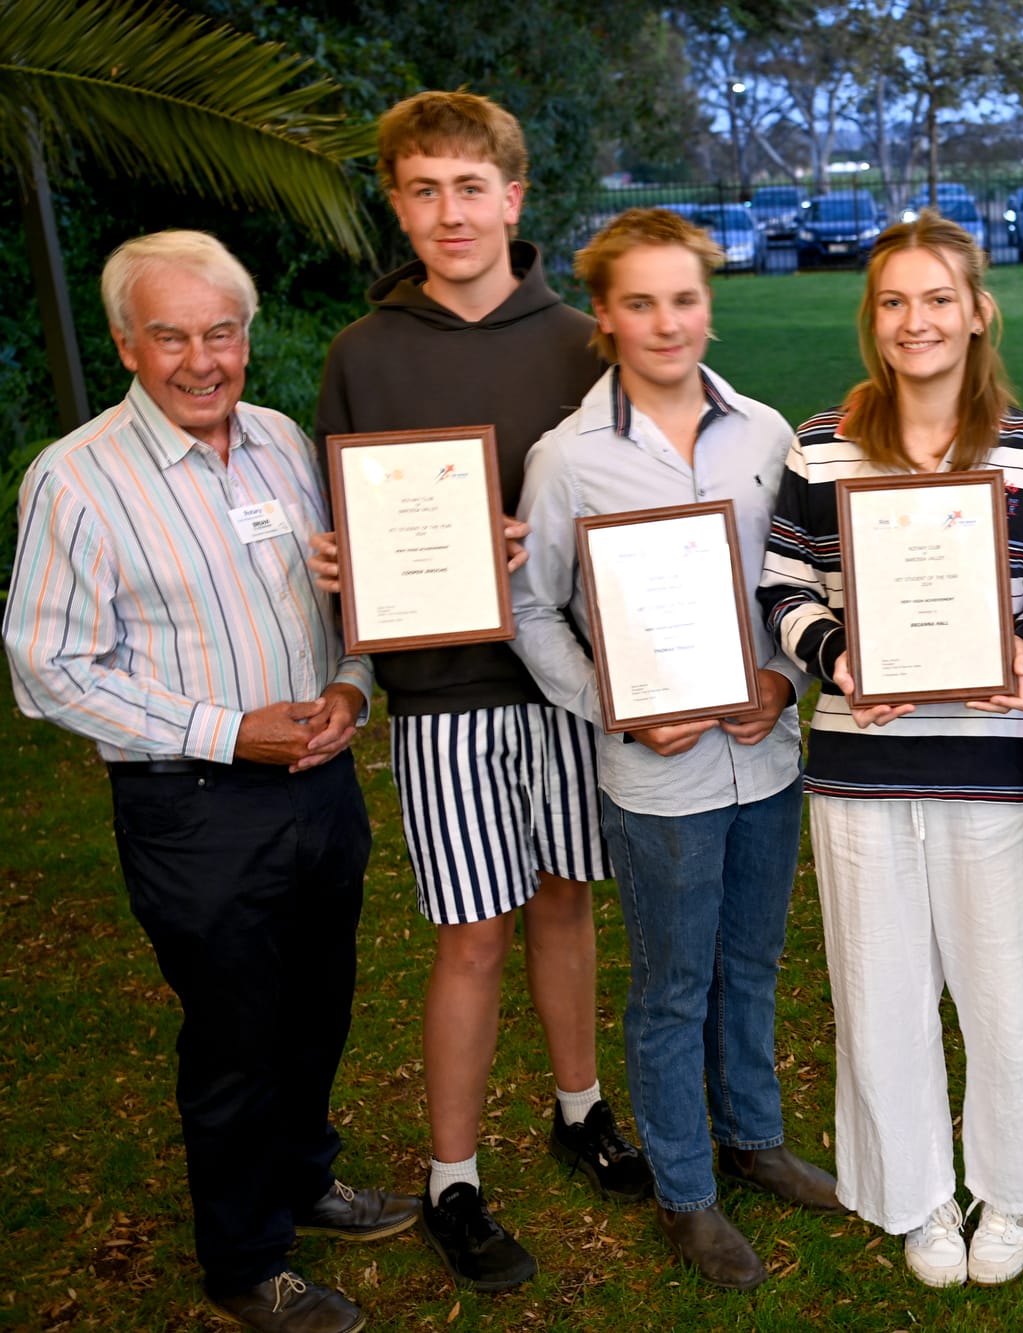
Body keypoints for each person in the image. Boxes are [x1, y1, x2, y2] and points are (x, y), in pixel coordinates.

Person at [5, 230, 416, 1333]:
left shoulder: (282, 442)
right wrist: (229, 732)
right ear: (127, 344)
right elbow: (49, 669)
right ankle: (245, 1259)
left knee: (320, 1005)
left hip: (321, 782)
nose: (201, 359)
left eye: (220, 331)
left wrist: (348, 683)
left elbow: (341, 595)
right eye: (172, 335)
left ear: (247, 334)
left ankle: (302, 1175)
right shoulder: (77, 480)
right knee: (235, 1034)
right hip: (195, 808)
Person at [310, 91, 647, 1293]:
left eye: (469, 187)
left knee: (565, 901)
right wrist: (338, 555)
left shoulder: (580, 344)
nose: (447, 212)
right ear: (395, 205)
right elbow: (339, 520)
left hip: (566, 681)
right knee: (472, 935)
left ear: (513, 198)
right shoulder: (363, 354)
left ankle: (579, 1107)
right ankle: (453, 1176)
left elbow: (626, 501)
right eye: (421, 190)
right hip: (444, 690)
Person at [509, 206, 838, 1290]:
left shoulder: (766, 432)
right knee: (669, 987)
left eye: (684, 298)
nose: (666, 323)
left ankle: (752, 1136)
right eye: (639, 303)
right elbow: (527, 607)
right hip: (658, 774)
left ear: (709, 301)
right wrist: (614, 702)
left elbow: (805, 584)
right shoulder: (568, 460)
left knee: (751, 964)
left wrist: (785, 679)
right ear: (603, 317)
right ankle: (687, 1191)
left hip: (768, 756)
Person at [758, 210, 1023, 1289]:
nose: (916, 321)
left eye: (938, 298)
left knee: (1007, 990)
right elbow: (785, 585)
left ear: (977, 310)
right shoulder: (821, 443)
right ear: (872, 319)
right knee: (881, 992)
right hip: (861, 765)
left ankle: (1008, 1186)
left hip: (994, 764)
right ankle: (918, 1195)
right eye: (893, 301)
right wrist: (842, 657)